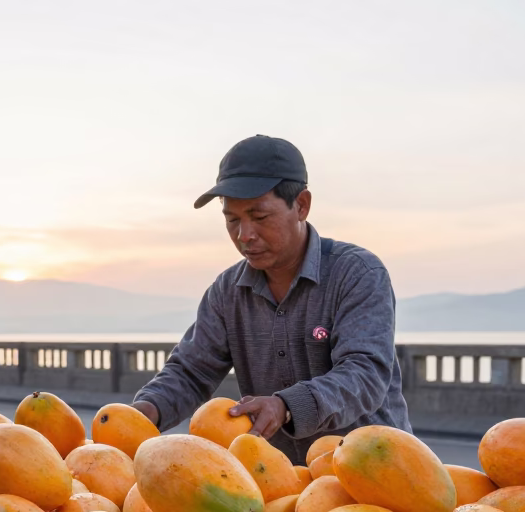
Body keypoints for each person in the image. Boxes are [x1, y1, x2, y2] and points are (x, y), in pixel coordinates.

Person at [131, 135, 410, 465]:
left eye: (260, 217)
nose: (244, 235)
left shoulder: (357, 273)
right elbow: (191, 372)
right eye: (232, 220)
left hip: (377, 470)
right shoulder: (227, 291)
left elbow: (365, 374)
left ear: (301, 205)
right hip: (279, 478)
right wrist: (143, 413)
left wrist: (287, 405)